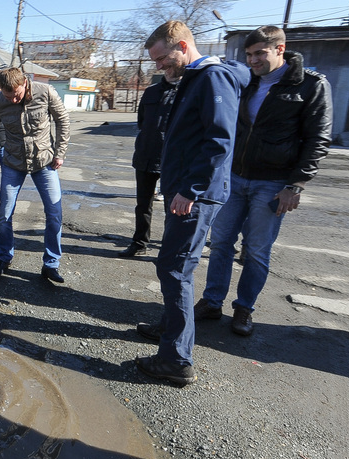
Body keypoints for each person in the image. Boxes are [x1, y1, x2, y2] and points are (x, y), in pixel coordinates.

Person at [194, 26, 333, 336]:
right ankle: (212, 301)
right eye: (248, 54)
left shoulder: (309, 85)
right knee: (219, 244)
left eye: (260, 53)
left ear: (280, 50)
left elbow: (318, 140)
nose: (253, 60)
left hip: (273, 183)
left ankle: (244, 309)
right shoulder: (247, 81)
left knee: (256, 250)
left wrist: (295, 185)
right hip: (235, 178)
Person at [134, 21, 250, 386]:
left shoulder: (212, 78)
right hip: (184, 191)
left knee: (174, 269)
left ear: (182, 46)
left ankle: (176, 360)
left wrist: (191, 189)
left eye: (162, 58)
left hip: (194, 195)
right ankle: (171, 329)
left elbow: (219, 141)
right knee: (173, 266)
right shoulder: (192, 78)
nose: (158, 66)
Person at [0, 68, 70, 283]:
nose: (14, 99)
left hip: (44, 162)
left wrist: (60, 152)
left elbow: (63, 120)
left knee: (54, 212)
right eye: (9, 96)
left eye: (17, 94)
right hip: (13, 162)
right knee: (4, 214)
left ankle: (51, 263)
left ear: (25, 83)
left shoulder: (45, 91)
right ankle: (4, 257)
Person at [118, 75, 180, 258]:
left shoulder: (186, 91)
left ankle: (170, 249)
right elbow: (141, 121)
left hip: (172, 160)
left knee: (173, 208)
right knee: (143, 205)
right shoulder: (151, 91)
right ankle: (139, 244)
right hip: (145, 155)